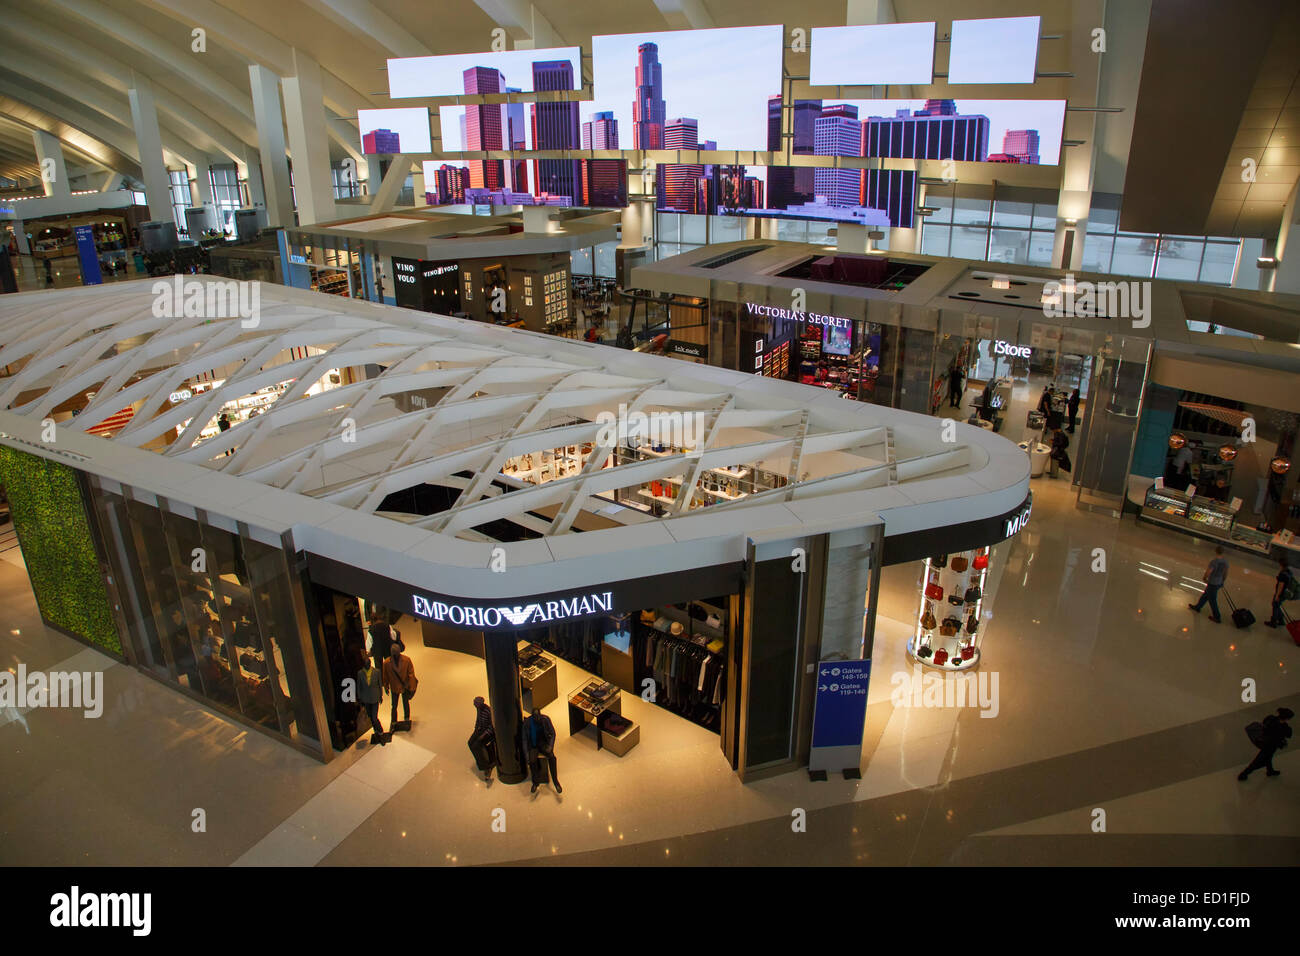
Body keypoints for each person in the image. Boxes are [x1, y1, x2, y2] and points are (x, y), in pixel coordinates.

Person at [1239, 707, 1293, 780]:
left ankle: (1270, 771)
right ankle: (1244, 774)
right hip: (1271, 746)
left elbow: (1264, 724)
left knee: (1268, 758)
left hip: (1264, 741)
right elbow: (1288, 735)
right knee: (1259, 761)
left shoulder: (1271, 718)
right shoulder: (1284, 727)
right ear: (1287, 718)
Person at [524, 704, 561, 794]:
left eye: (538, 717)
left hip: (543, 743)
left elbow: (553, 733)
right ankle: (535, 782)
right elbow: (524, 739)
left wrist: (550, 746)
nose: (537, 719)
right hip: (533, 745)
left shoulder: (545, 719)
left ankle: (556, 782)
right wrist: (526, 755)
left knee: (552, 757)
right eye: (535, 717)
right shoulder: (528, 723)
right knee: (532, 761)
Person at [1188, 546, 1228, 623]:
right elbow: (1225, 573)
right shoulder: (1225, 562)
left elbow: (1209, 571)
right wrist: (1222, 581)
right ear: (1223, 552)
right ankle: (1198, 607)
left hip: (1212, 582)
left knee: (1212, 600)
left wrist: (1204, 577)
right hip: (1219, 582)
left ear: (1215, 551)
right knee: (1206, 595)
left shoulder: (1214, 562)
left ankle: (1217, 617)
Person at [382, 643, 417, 729]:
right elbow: (385, 676)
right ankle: (394, 721)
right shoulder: (387, 663)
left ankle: (406, 718)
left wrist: (412, 687)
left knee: (405, 703)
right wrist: (386, 686)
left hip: (404, 686)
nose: (395, 655)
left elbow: (411, 674)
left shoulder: (406, 660)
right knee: (394, 705)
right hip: (395, 687)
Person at [357, 652, 385, 745]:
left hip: (375, 697)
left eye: (368, 663)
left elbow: (379, 685)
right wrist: (360, 698)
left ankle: (380, 731)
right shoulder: (360, 674)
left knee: (374, 717)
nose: (367, 665)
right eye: (366, 664)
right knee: (370, 717)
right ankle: (376, 731)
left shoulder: (376, 672)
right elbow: (359, 686)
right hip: (366, 699)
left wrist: (380, 696)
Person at [468, 696, 499, 782]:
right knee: (470, 743)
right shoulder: (479, 709)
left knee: (476, 745)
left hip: (487, 733)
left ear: (480, 704)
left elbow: (492, 726)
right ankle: (481, 761)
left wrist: (483, 735)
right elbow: (478, 720)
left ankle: (486, 766)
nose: (474, 704)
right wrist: (476, 729)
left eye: (476, 703)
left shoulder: (488, 711)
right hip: (480, 729)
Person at [1264, 556, 1296, 628]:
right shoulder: (1289, 572)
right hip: (1286, 592)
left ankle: (1273, 622)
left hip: (1281, 593)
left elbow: (1280, 586)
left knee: (1275, 605)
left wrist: (1277, 595)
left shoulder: (1282, 574)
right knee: (1277, 605)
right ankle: (1281, 620)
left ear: (1281, 564)